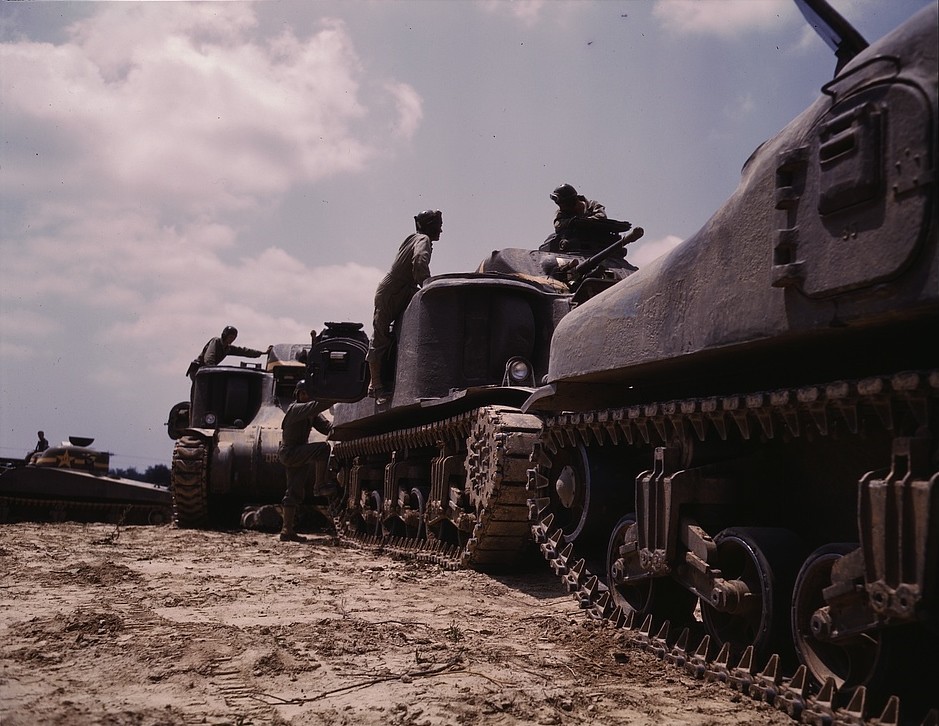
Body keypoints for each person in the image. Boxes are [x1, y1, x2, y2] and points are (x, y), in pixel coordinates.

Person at [366, 209, 443, 402]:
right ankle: (375, 385)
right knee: (381, 335)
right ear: (430, 226)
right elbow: (419, 261)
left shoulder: (415, 237)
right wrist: (426, 283)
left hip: (403, 289)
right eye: (438, 225)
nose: (441, 230)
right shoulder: (422, 239)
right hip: (393, 291)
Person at [278, 380, 332, 542]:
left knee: (294, 491)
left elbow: (326, 427)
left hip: (297, 452)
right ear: (297, 395)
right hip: (290, 452)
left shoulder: (310, 413)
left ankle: (287, 530)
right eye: (302, 393)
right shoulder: (296, 409)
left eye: (308, 393)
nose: (305, 396)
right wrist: (338, 397)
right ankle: (319, 485)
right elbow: (315, 407)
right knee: (323, 449)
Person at [542, 183, 631, 255]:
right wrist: (573, 222)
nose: (561, 207)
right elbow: (558, 224)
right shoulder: (562, 212)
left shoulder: (592, 205)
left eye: (563, 204)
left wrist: (584, 222)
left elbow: (601, 216)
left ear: (570, 202)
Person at [187, 326, 272, 384]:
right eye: (231, 337)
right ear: (225, 335)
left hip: (208, 371)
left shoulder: (228, 348)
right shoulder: (216, 341)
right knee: (201, 393)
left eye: (234, 338)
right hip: (198, 370)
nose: (232, 340)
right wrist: (213, 369)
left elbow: (243, 351)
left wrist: (262, 353)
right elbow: (209, 358)